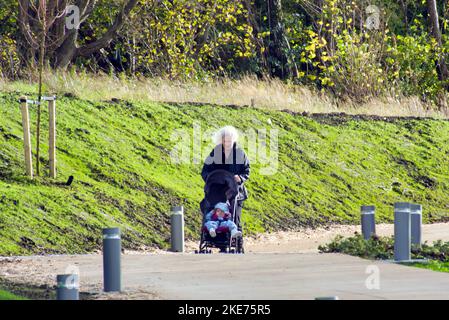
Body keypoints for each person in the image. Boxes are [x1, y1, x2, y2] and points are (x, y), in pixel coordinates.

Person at [201, 126, 250, 228]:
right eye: (225, 140)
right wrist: (210, 179)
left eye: (229, 140)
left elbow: (246, 171)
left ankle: (236, 235)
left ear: (233, 140)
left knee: (235, 216)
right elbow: (205, 170)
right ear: (221, 140)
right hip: (217, 190)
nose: (227, 143)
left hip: (235, 190)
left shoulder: (240, 153)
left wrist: (240, 178)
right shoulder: (215, 152)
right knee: (210, 207)